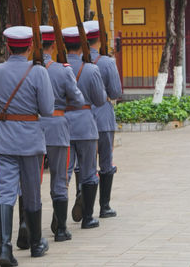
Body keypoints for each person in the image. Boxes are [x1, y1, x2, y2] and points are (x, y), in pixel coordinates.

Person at [0, 26, 55, 266]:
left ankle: (4, 249)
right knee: (32, 192)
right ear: (29, 47)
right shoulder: (39, 72)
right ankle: (36, 244)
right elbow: (47, 109)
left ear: (7, 47)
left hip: (5, 139)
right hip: (30, 141)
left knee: (5, 193)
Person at [38, 24, 86, 243]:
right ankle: (60, 229)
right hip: (57, 126)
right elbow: (78, 100)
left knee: (29, 180)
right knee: (59, 177)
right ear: (54, 45)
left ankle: (24, 227)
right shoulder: (62, 69)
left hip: (32, 128)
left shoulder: (29, 69)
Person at [61, 25, 107, 230]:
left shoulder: (55, 69)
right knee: (89, 171)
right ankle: (88, 217)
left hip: (63, 126)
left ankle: (59, 218)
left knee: (64, 173)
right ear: (82, 46)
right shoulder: (91, 69)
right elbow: (99, 100)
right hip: (86, 125)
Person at [83, 19, 123, 217]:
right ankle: (104, 206)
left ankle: (82, 200)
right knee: (106, 162)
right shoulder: (107, 62)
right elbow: (116, 92)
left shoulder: (72, 61)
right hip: (103, 118)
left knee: (84, 163)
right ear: (100, 39)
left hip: (80, 118)